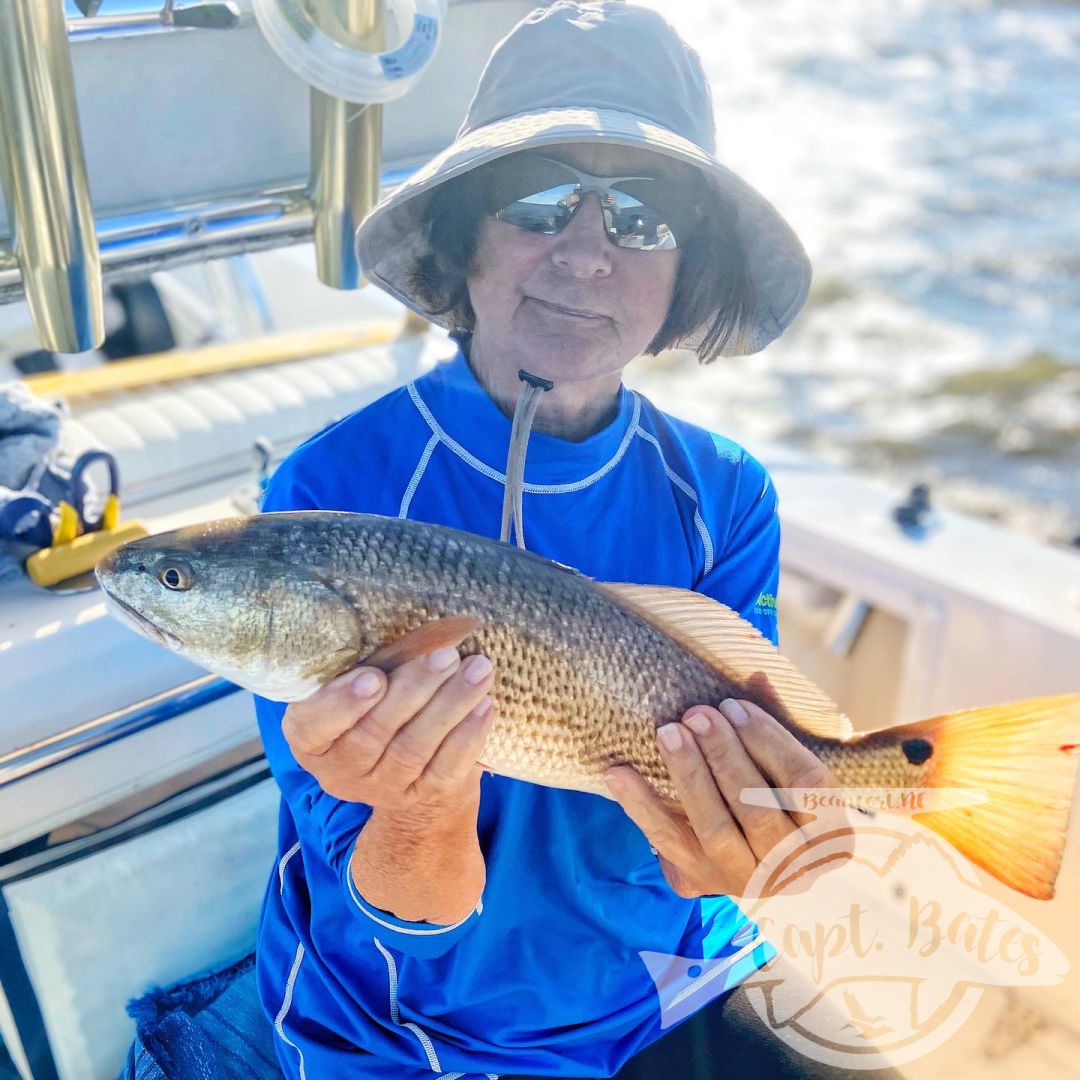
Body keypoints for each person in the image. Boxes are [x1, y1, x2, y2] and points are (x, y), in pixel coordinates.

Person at [253, 4, 888, 1078]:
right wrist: (418, 809)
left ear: (690, 268)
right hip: (408, 1025)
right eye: (539, 201)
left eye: (645, 219)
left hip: (671, 979)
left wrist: (754, 846)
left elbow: (718, 865)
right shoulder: (330, 493)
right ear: (464, 237)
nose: (588, 254)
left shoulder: (725, 492)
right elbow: (410, 906)